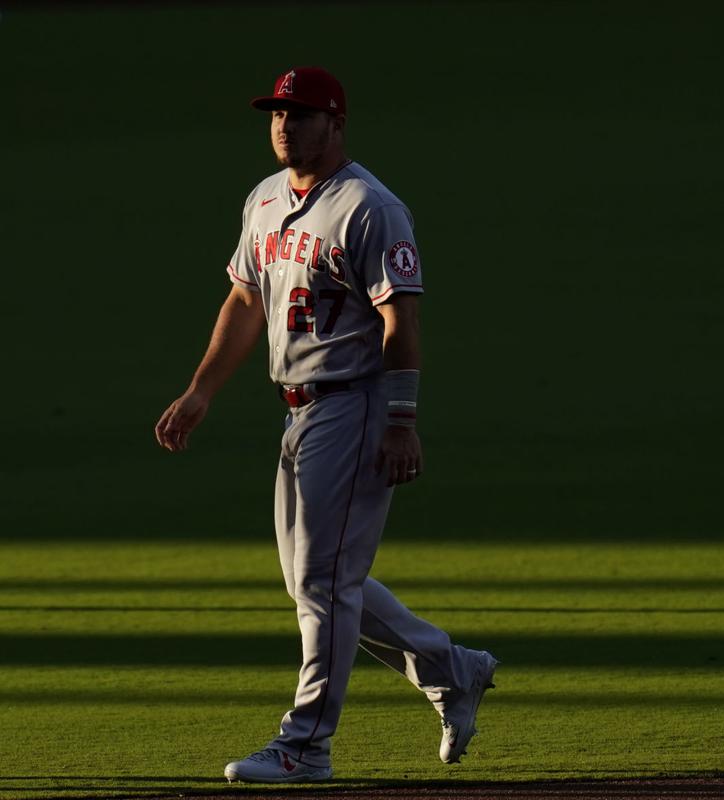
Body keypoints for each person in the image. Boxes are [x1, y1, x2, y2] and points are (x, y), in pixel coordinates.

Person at [154, 66, 497, 784]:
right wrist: (201, 391)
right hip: (301, 411)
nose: (284, 125)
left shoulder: (371, 207)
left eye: (301, 114)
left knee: (323, 581)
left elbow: (400, 321)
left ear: (335, 124)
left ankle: (306, 744)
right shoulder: (266, 198)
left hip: (359, 402)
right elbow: (245, 301)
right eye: (277, 113)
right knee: (318, 581)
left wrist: (402, 422)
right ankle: (450, 667)